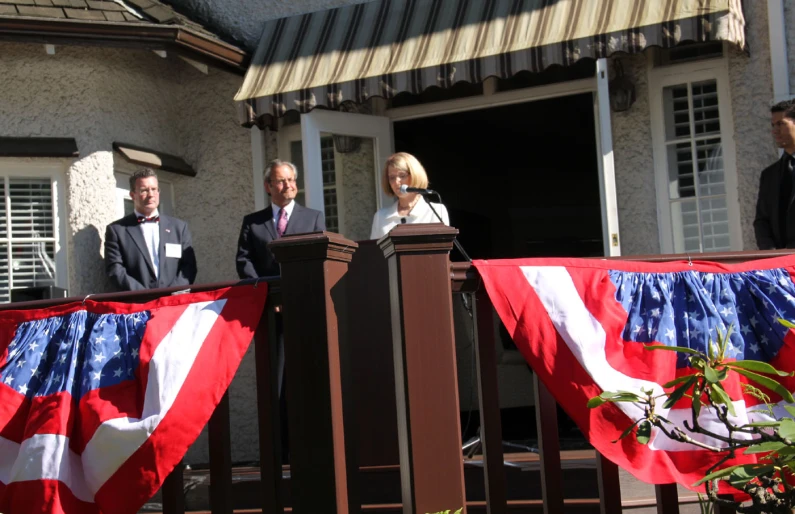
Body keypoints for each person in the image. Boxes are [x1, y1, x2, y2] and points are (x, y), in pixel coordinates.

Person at [105, 168, 197, 291]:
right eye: (144, 190)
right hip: (138, 304)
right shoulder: (117, 230)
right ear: (133, 195)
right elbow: (115, 270)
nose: (150, 195)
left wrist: (172, 295)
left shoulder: (179, 228)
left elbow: (189, 266)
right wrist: (144, 295)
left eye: (154, 189)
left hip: (174, 304)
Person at [236, 159, 325, 279]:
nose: (288, 185)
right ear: (268, 186)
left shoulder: (313, 218)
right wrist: (259, 285)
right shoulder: (253, 223)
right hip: (265, 292)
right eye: (281, 181)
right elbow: (244, 260)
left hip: (305, 290)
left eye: (291, 180)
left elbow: (322, 256)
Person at [370, 152, 450, 239]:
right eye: (392, 177)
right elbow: (374, 252)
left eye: (402, 175)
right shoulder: (380, 216)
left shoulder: (436, 211)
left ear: (415, 175)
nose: (396, 182)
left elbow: (440, 249)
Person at [754, 100, 795, 249]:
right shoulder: (769, 175)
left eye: (780, 124)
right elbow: (761, 221)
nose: (775, 130)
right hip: (780, 265)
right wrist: (771, 255)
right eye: (773, 125)